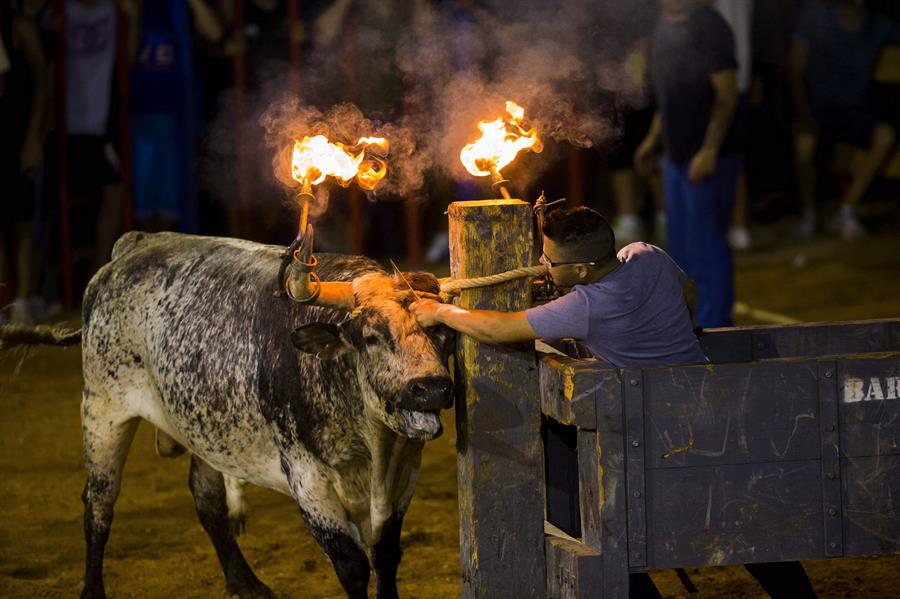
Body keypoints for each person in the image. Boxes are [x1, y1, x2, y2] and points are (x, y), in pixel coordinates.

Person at [635, 0, 740, 329]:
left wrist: (708, 150)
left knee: (707, 250)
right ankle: (691, 327)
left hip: (708, 158)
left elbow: (726, 96)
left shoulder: (709, 26)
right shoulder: (664, 24)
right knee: (681, 252)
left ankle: (717, 329)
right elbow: (668, 96)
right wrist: (652, 142)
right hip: (675, 157)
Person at [790, 0, 899, 240]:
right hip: (817, 111)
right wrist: (803, 112)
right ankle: (808, 213)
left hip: (853, 113)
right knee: (804, 144)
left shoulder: (879, 26)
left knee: (885, 135)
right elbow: (795, 68)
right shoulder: (816, 15)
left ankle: (846, 209)